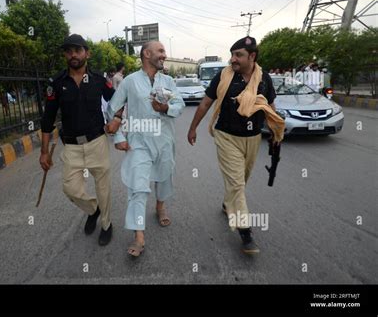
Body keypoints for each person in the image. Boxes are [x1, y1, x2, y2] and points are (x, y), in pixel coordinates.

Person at [187, 36, 285, 255]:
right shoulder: (224, 77)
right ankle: (245, 232)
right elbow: (205, 102)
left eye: (238, 55)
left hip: (253, 138)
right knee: (237, 184)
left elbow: (270, 106)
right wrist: (193, 128)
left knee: (241, 180)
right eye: (232, 54)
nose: (233, 59)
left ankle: (226, 203)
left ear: (252, 56)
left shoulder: (264, 78)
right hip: (226, 136)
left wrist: (276, 131)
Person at [39, 34, 121, 246]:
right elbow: (47, 119)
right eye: (68, 51)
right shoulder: (56, 83)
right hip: (72, 147)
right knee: (71, 189)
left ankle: (106, 224)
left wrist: (118, 118)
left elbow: (118, 99)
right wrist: (44, 152)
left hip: (97, 142)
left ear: (87, 53)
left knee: (103, 188)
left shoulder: (99, 80)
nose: (73, 54)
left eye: (77, 50)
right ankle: (93, 210)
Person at [105, 41, 185, 257]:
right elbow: (114, 108)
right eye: (160, 51)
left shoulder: (168, 80)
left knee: (164, 177)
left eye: (164, 51)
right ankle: (139, 235)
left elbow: (180, 105)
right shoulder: (130, 81)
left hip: (164, 140)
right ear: (146, 54)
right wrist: (119, 136)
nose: (164, 55)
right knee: (137, 188)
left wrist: (166, 107)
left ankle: (160, 206)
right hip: (138, 143)